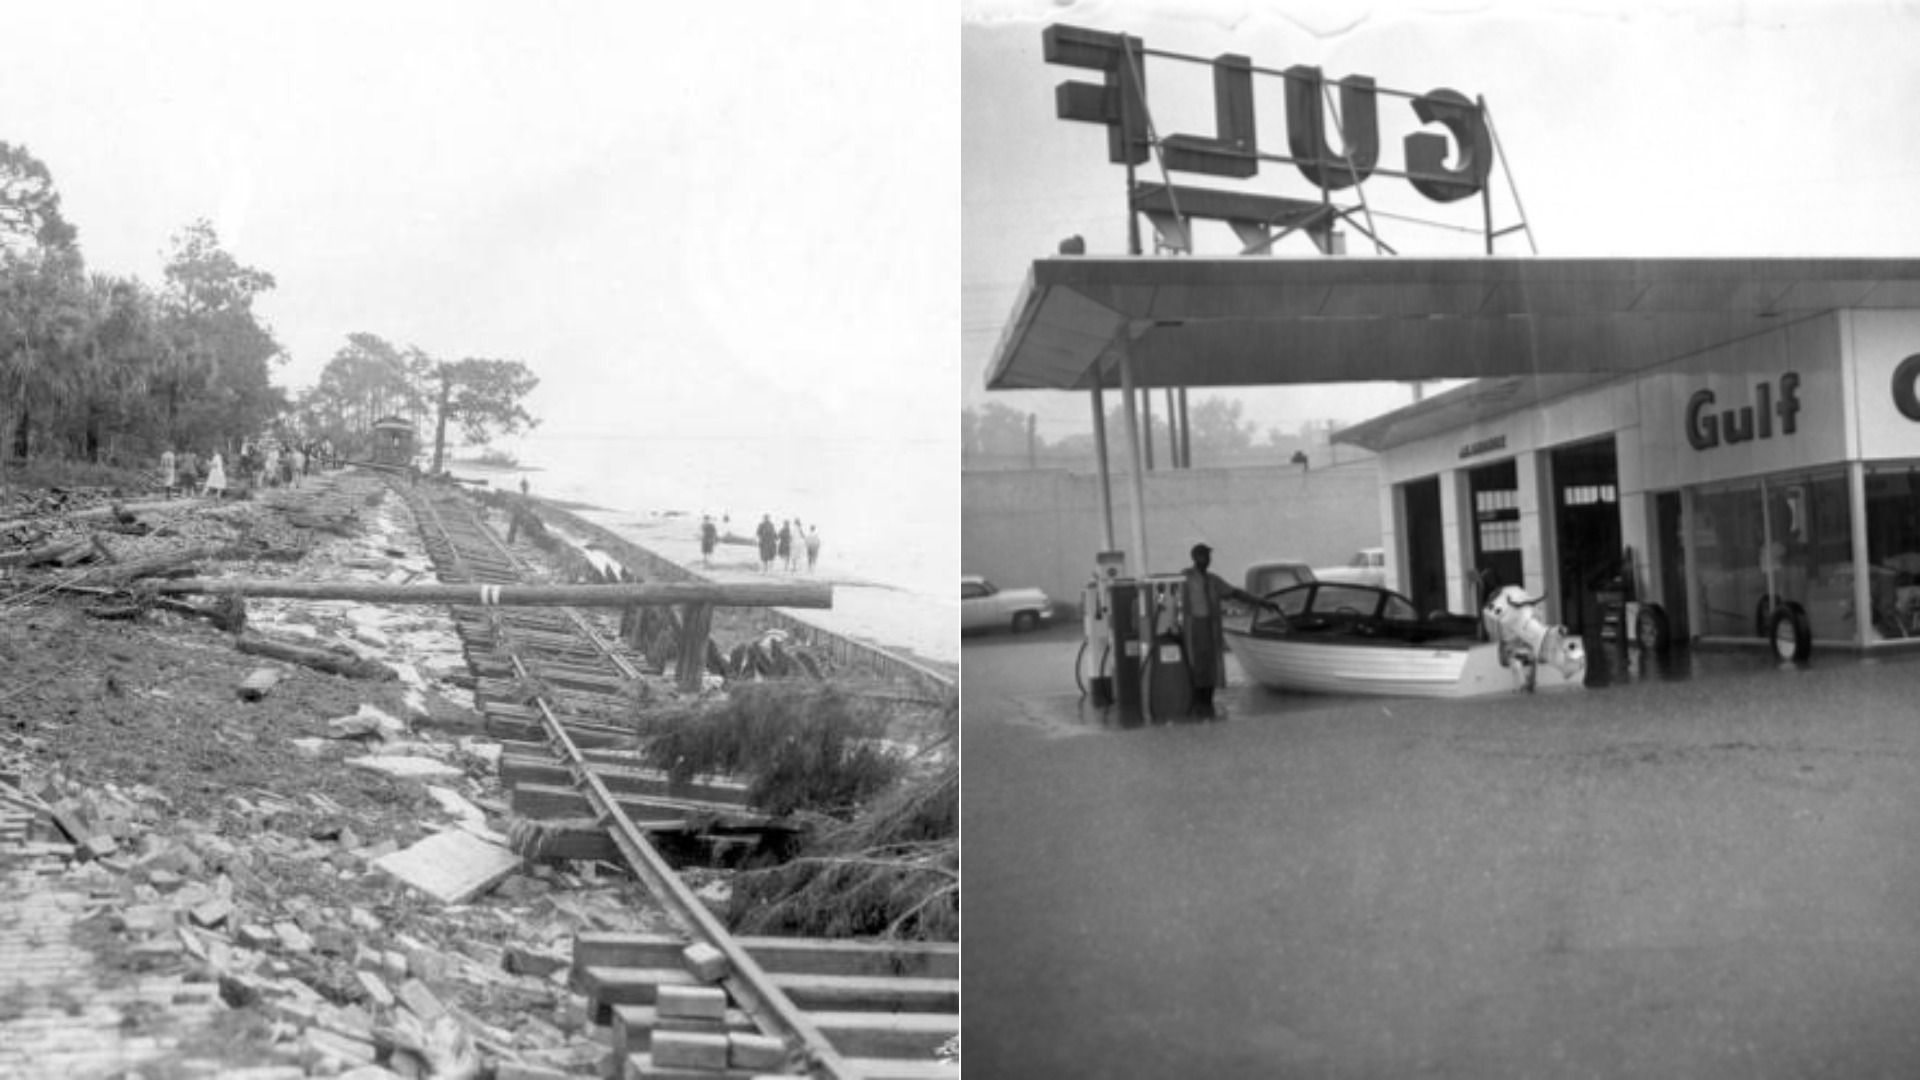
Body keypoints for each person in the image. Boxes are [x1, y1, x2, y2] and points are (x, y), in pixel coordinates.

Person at [1181, 542, 1269, 716]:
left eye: (1208, 556)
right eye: (1202, 556)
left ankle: (1208, 704)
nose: (1206, 560)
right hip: (1193, 628)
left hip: (1211, 627)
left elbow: (1234, 592)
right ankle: (1196, 703)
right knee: (1195, 664)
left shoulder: (1214, 580)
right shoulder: (1186, 578)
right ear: (1194, 557)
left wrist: (1259, 601)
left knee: (1212, 664)